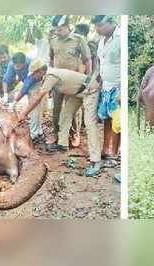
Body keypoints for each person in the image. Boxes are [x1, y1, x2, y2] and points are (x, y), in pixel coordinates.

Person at [18, 64, 102, 177]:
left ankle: (95, 161)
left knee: (90, 124)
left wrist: (24, 113)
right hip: (78, 92)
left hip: (90, 90)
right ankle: (63, 144)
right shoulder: (49, 75)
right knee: (65, 115)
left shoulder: (51, 76)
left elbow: (38, 97)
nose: (33, 77)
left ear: (39, 71)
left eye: (33, 74)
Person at [50, 15, 92, 146]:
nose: (58, 32)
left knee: (72, 110)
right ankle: (57, 134)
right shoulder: (53, 40)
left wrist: (87, 79)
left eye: (60, 29)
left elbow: (87, 60)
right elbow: (51, 59)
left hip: (73, 82)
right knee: (56, 109)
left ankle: (74, 135)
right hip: (57, 81)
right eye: (56, 29)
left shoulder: (79, 40)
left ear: (68, 27)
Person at [92, 15, 121, 171]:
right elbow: (101, 65)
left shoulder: (120, 38)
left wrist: (122, 90)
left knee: (118, 122)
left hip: (117, 87)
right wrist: (97, 84)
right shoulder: (101, 41)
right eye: (96, 26)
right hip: (106, 87)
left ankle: (114, 154)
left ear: (111, 22)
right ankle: (106, 149)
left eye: (100, 25)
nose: (98, 29)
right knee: (107, 119)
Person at [2, 52, 44, 141]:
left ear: (24, 63)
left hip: (36, 83)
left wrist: (15, 102)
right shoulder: (11, 64)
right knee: (33, 109)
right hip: (27, 82)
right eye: (15, 66)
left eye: (19, 66)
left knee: (34, 108)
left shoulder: (31, 65)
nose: (16, 68)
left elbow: (26, 86)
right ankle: (38, 130)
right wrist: (5, 94)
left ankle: (34, 133)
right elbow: (6, 80)